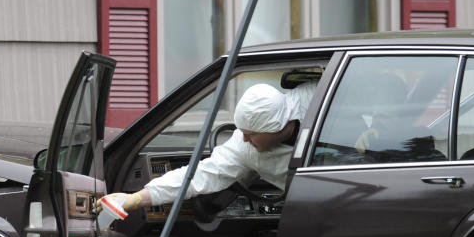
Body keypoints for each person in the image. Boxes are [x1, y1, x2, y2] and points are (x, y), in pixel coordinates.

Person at [101, 81, 317, 212]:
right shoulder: (245, 150)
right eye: (242, 132)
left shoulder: (317, 96)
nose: (243, 139)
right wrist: (135, 198)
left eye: (250, 135)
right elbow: (196, 176)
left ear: (275, 128)